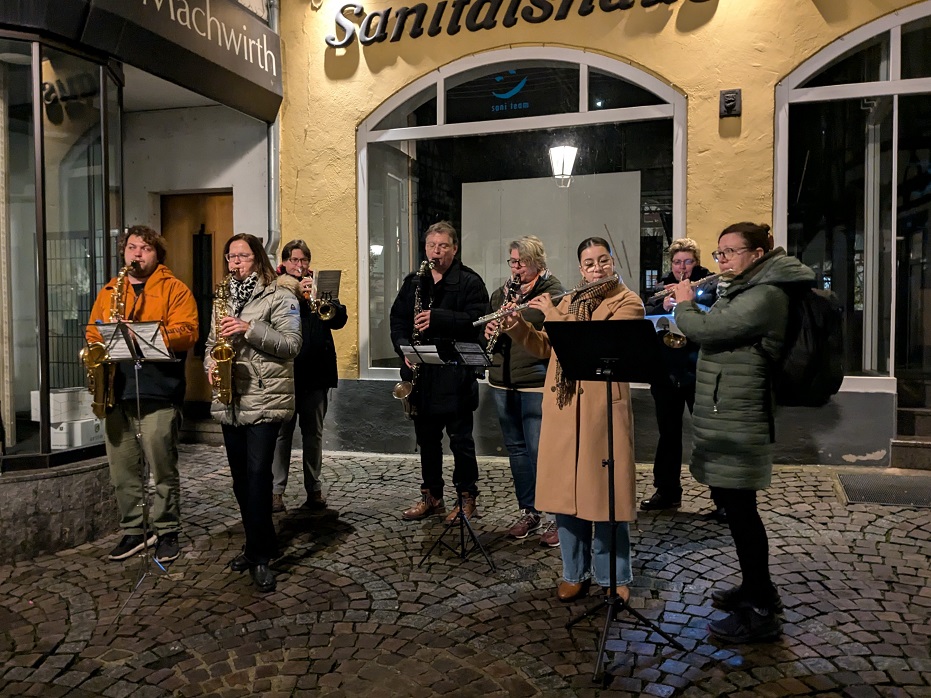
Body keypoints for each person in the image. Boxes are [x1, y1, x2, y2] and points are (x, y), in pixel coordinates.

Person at [673, 221, 812, 643]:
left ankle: (761, 609)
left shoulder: (767, 294)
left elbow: (710, 330)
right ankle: (755, 587)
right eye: (719, 254)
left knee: (743, 511)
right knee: (736, 508)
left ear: (757, 254)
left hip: (742, 413)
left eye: (730, 253)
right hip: (727, 409)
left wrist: (683, 304)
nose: (722, 261)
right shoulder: (746, 287)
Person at [502, 236, 644, 602]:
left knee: (607, 499)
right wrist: (516, 325)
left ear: (612, 263)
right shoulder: (568, 301)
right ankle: (572, 571)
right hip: (564, 410)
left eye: (603, 261)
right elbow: (546, 349)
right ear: (581, 268)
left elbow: (592, 342)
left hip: (602, 412)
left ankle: (614, 575)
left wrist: (552, 314)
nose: (596, 268)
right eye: (589, 263)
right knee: (566, 496)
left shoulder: (628, 302)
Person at [86, 225, 198, 563]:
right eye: (132, 247)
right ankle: (135, 529)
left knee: (162, 466)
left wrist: (140, 334)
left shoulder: (175, 289)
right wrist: (97, 343)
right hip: (116, 391)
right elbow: (93, 330)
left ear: (157, 255)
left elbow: (187, 332)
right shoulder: (110, 290)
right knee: (122, 469)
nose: (137, 254)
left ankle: (167, 530)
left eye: (145, 249)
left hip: (158, 390)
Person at [205, 233, 302, 593]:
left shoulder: (280, 295)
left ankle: (261, 557)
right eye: (230, 257)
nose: (235, 262)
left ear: (257, 258)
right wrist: (209, 367)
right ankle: (256, 544)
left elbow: (292, 345)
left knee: (258, 477)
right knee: (241, 481)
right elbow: (210, 343)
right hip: (230, 399)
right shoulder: (223, 297)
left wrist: (249, 328)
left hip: (264, 397)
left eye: (242, 256)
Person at [389, 221, 489, 522]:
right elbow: (397, 321)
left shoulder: (470, 282)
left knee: (461, 441)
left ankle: (467, 497)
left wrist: (439, 318)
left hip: (455, 376)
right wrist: (405, 349)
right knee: (427, 441)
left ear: (455, 248)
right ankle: (432, 495)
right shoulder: (414, 282)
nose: (436, 251)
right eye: (432, 245)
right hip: (423, 377)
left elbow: (478, 321)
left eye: (443, 246)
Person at [483, 235, 563, 546]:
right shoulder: (500, 294)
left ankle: (557, 514)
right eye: (513, 261)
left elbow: (541, 321)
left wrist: (513, 315)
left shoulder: (552, 291)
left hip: (535, 381)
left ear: (538, 263)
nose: (516, 268)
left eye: (522, 262)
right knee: (516, 451)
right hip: (502, 380)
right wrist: (489, 328)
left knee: (540, 451)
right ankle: (529, 511)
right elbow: (489, 332)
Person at [641, 238, 723, 518]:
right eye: (677, 262)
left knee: (707, 434)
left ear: (696, 262)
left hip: (697, 369)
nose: (682, 268)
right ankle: (666, 491)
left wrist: (690, 303)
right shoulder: (662, 284)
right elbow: (646, 313)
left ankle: (722, 499)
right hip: (666, 372)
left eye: (688, 261)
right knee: (668, 435)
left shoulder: (710, 284)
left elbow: (714, 316)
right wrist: (661, 305)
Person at [270, 240, 348, 513]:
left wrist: (325, 303)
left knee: (313, 434)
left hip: (316, 371)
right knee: (282, 435)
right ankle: (276, 491)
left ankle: (313, 489)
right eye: (294, 260)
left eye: (303, 261)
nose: (299, 266)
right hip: (286, 373)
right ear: (285, 262)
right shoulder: (275, 288)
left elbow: (339, 320)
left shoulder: (319, 285)